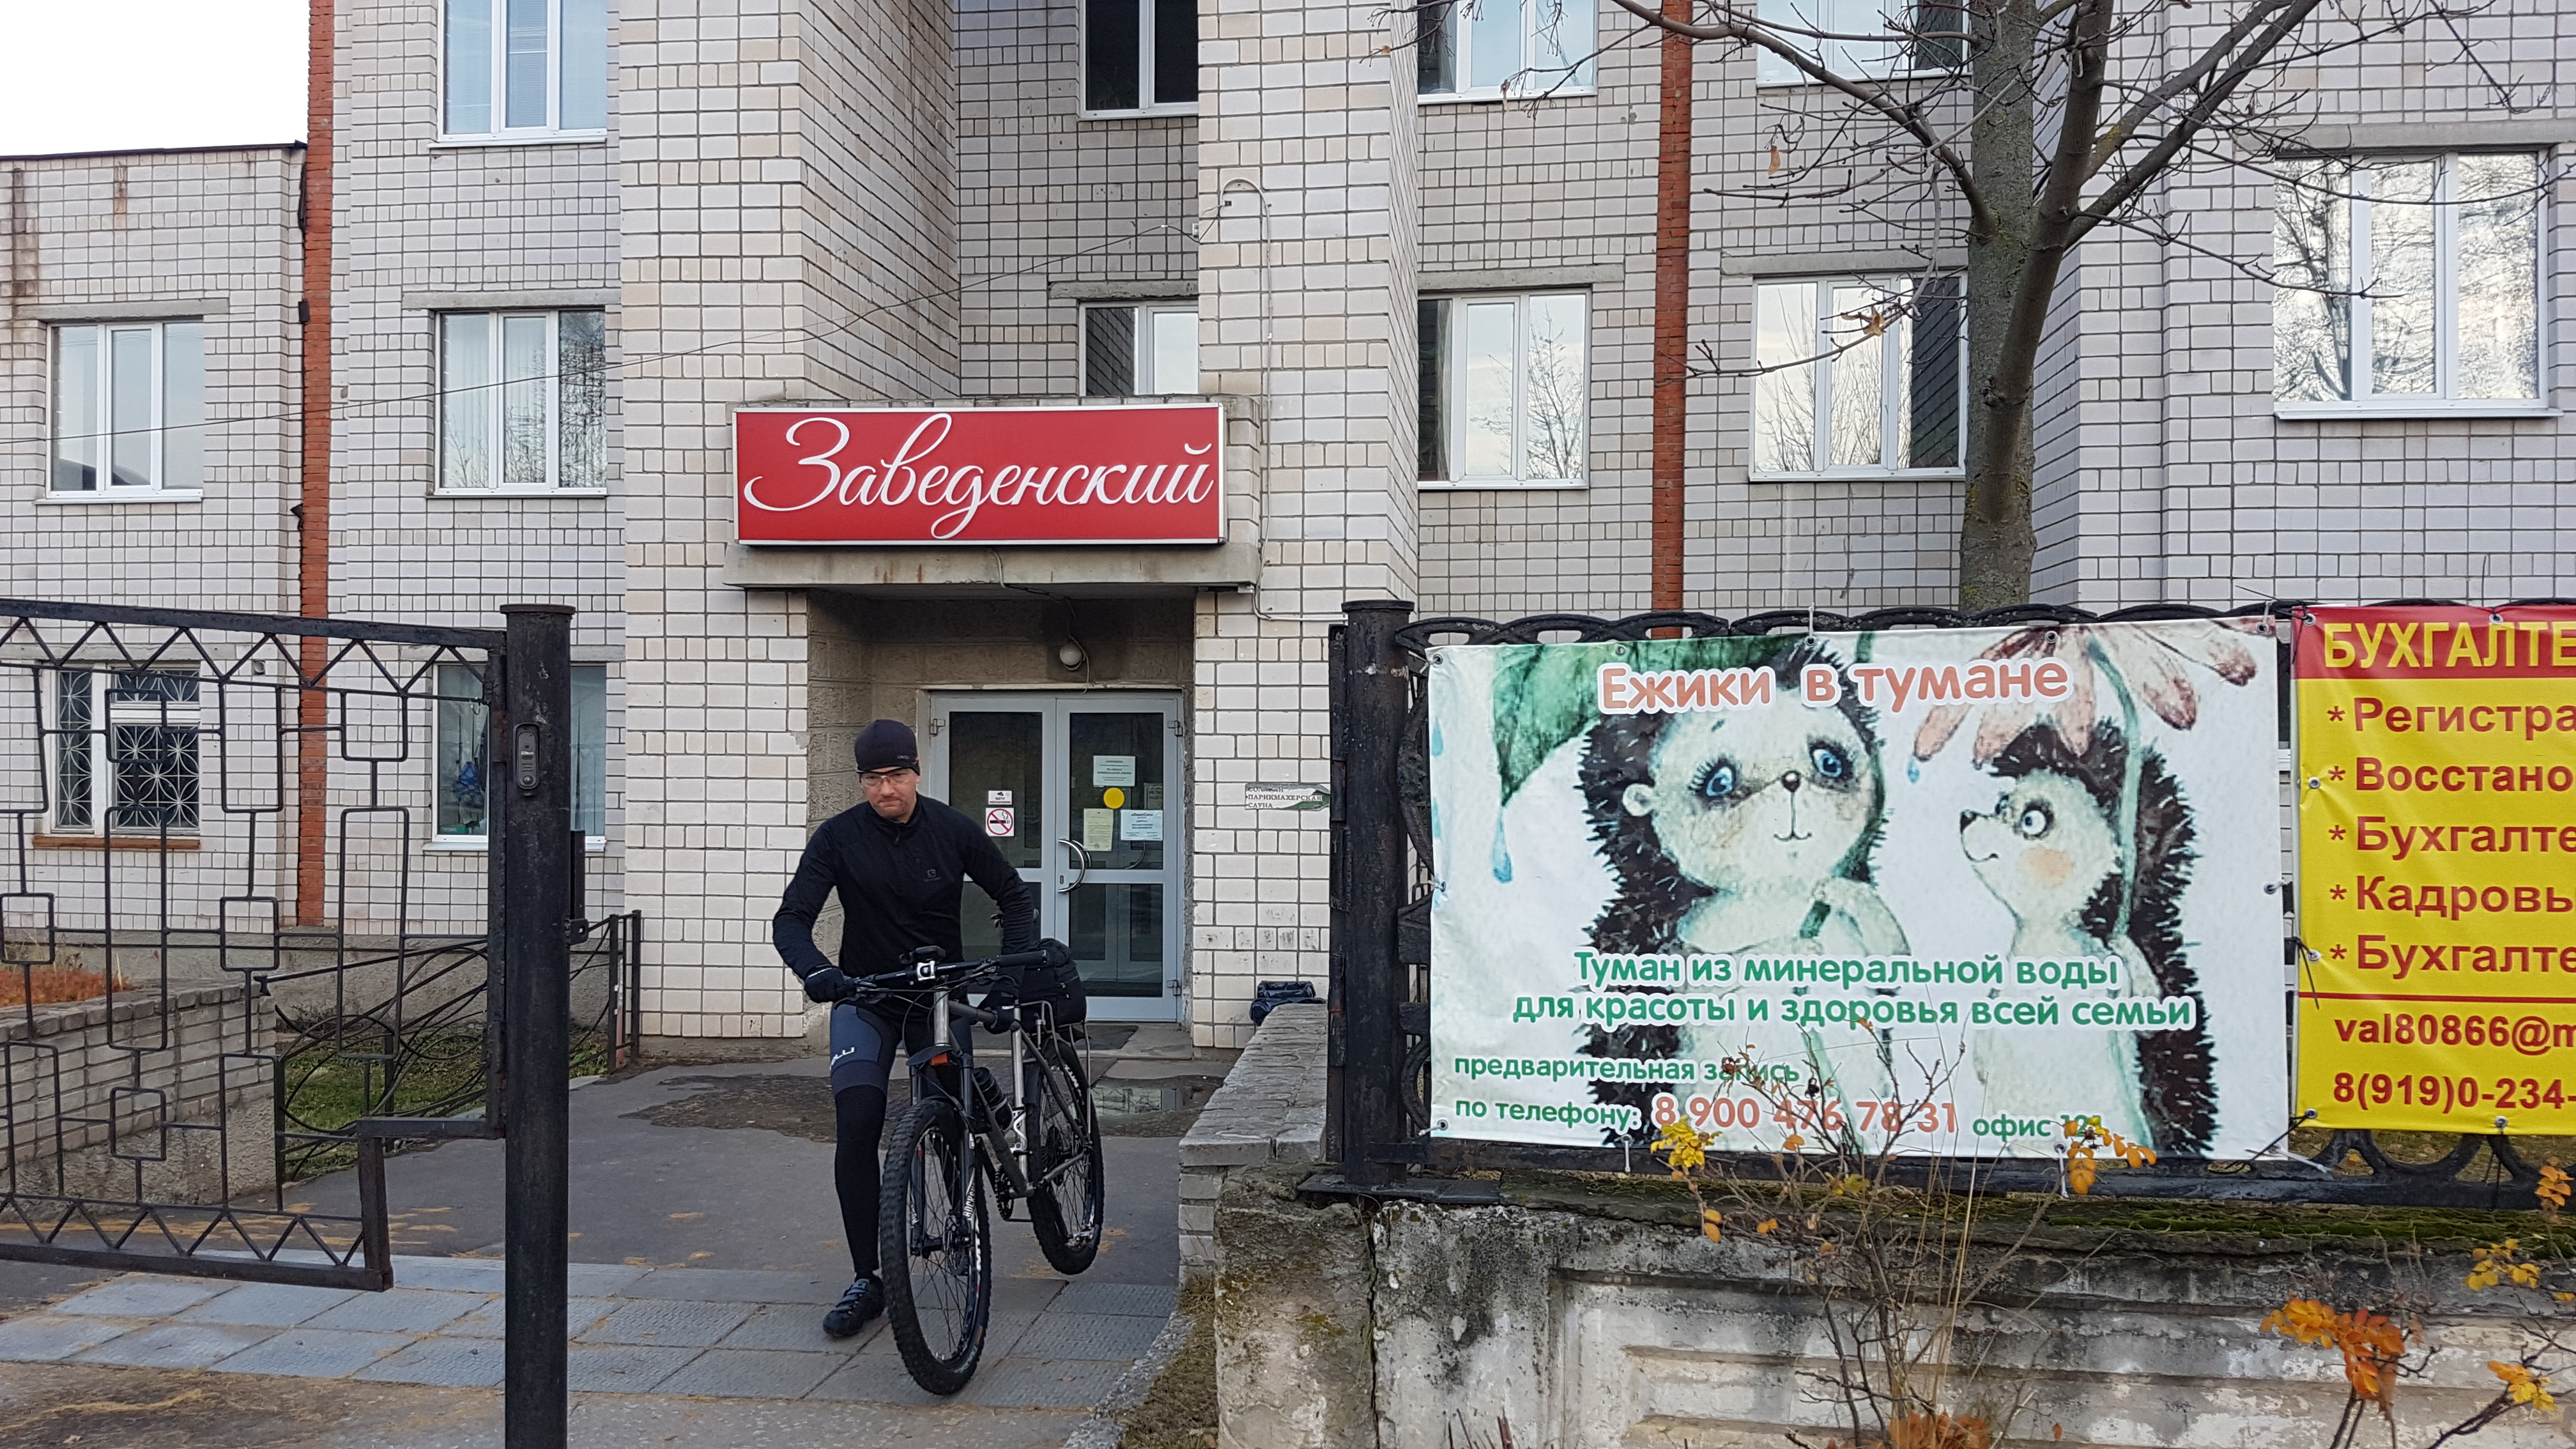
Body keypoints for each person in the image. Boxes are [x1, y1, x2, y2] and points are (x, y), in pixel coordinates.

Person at [773, 718, 1038, 1337]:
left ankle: (963, 1231)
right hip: (866, 997)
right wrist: (818, 972)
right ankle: (868, 1278)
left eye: (895, 775)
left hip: (938, 999)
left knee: (951, 1114)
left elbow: (1014, 898)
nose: (885, 790)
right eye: (872, 778)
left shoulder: (952, 829)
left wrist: (1007, 983)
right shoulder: (838, 837)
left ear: (916, 771)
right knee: (857, 1123)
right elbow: (791, 919)